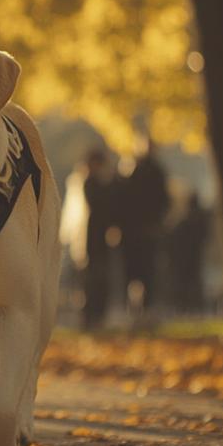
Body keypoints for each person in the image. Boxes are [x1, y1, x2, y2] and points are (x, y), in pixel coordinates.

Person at [120, 135, 170, 321]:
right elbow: (164, 201)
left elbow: (123, 202)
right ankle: (144, 307)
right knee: (145, 270)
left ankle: (136, 307)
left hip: (135, 231)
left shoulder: (133, 171)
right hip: (145, 230)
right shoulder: (156, 171)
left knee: (135, 270)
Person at [80, 148, 120, 330]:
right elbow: (101, 205)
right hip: (95, 237)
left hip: (100, 236)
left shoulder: (96, 183)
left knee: (100, 276)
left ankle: (97, 314)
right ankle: (91, 315)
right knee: (95, 277)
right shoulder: (90, 183)